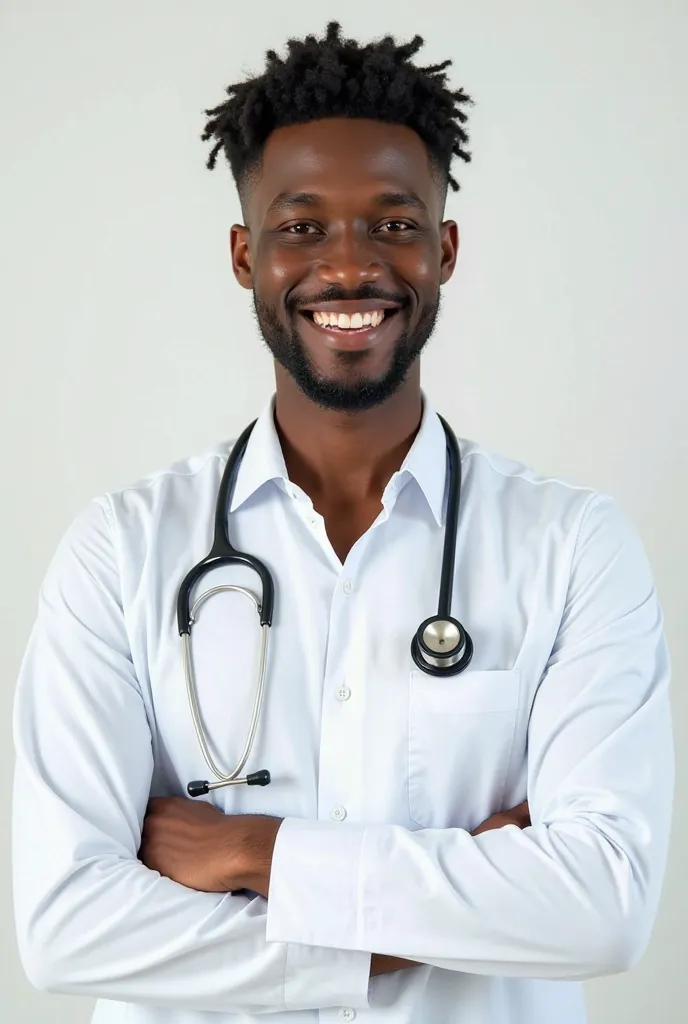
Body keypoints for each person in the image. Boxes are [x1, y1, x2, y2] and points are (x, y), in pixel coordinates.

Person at [12, 21, 673, 1024]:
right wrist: (406, 934)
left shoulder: (572, 547)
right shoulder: (123, 551)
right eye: (303, 226)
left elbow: (604, 904)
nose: (350, 265)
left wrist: (257, 853)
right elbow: (66, 924)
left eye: (395, 224)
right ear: (246, 254)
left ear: (444, 250)